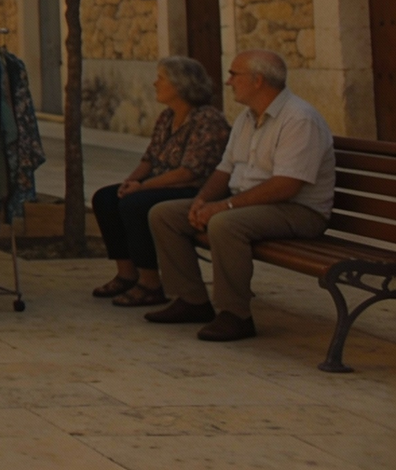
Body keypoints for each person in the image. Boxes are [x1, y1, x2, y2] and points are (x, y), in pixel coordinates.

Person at [146, 49, 335, 341]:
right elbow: (225, 168)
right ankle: (191, 300)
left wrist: (226, 206)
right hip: (253, 204)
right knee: (165, 214)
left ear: (258, 80)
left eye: (235, 74)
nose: (228, 81)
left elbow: (287, 185)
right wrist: (202, 201)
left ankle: (235, 315)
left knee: (225, 224)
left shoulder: (299, 119)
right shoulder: (248, 118)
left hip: (298, 210)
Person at [89, 56, 231, 307]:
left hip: (193, 190)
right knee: (106, 198)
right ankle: (126, 273)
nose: (155, 84)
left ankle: (150, 283)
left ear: (180, 84)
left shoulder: (207, 119)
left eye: (161, 79)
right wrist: (130, 182)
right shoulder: (167, 117)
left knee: (135, 203)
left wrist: (142, 188)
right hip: (161, 184)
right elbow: (149, 159)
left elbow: (189, 172)